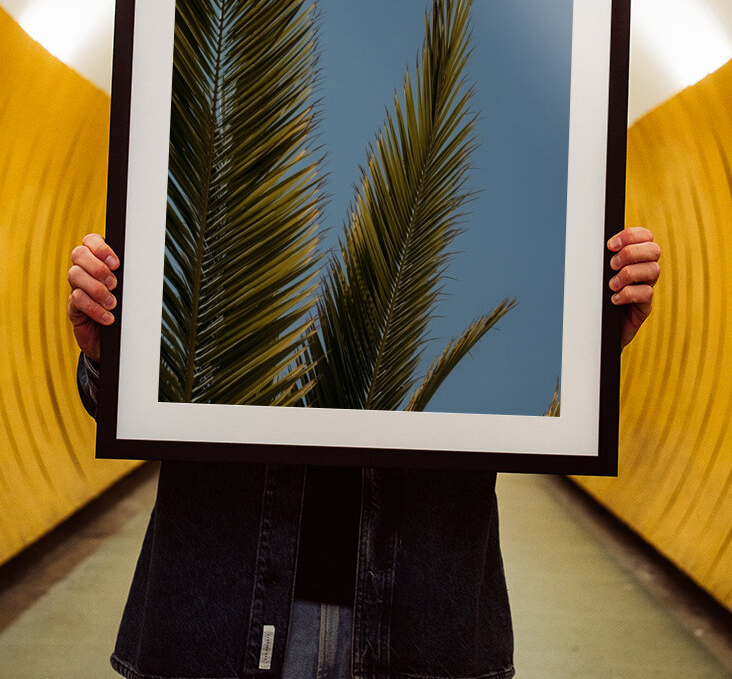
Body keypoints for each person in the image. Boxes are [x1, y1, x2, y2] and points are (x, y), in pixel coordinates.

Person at [68, 227, 661, 679]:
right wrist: (109, 355)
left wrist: (589, 347)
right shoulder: (224, 220)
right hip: (221, 613)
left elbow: (517, 383)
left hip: (421, 621)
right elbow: (134, 402)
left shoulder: (479, 250)